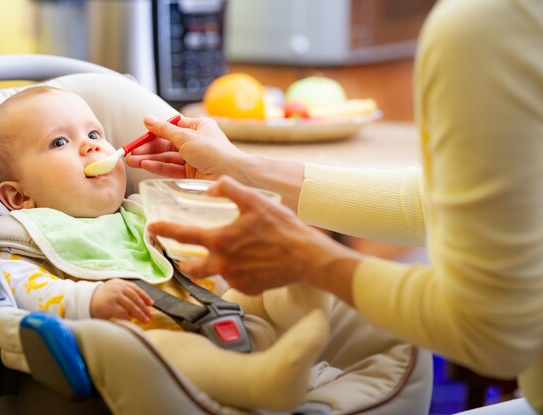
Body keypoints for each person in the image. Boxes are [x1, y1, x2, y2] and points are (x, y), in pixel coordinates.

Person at [127, 0, 543, 413]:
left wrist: (310, 260)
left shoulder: (489, 25)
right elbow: (445, 205)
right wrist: (240, 168)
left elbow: (495, 331)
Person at [0, 85, 334, 412]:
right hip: (148, 343)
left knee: (259, 301)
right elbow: (19, 288)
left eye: (94, 133)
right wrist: (88, 299)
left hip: (215, 313)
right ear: (19, 196)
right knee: (175, 355)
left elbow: (205, 249)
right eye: (59, 142)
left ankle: (302, 327)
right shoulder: (25, 239)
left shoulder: (141, 213)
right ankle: (262, 383)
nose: (92, 145)